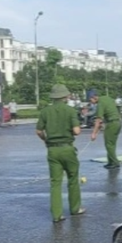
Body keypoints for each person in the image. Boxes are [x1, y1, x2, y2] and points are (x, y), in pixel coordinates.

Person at [36, 84, 85, 223]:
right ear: (65, 96)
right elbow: (76, 131)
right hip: (67, 149)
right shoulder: (70, 110)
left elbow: (39, 131)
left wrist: (46, 140)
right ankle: (75, 208)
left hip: (52, 150)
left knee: (55, 183)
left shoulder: (45, 111)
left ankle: (57, 215)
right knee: (72, 179)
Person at [89, 89, 122, 169]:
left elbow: (98, 120)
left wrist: (94, 134)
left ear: (94, 97)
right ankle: (110, 161)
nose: (90, 102)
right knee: (112, 144)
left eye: (90, 99)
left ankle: (114, 162)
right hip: (118, 123)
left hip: (112, 124)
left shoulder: (100, 104)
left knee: (109, 144)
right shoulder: (107, 98)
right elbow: (110, 109)